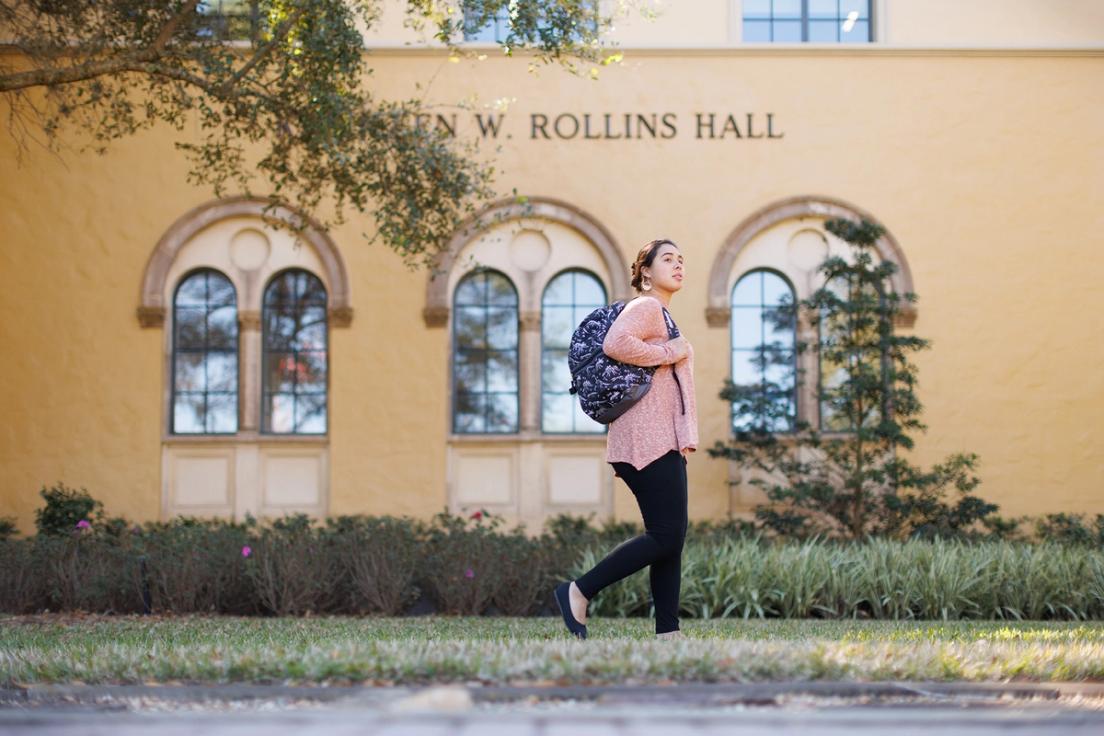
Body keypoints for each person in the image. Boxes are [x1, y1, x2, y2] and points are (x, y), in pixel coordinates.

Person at [554, 238, 697, 640]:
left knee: (670, 537)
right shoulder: (647, 307)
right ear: (646, 272)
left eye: (681, 259)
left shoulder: (664, 317)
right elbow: (614, 344)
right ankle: (579, 591)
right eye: (668, 259)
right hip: (646, 437)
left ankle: (668, 633)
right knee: (667, 534)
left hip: (661, 437)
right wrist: (671, 352)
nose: (678, 264)